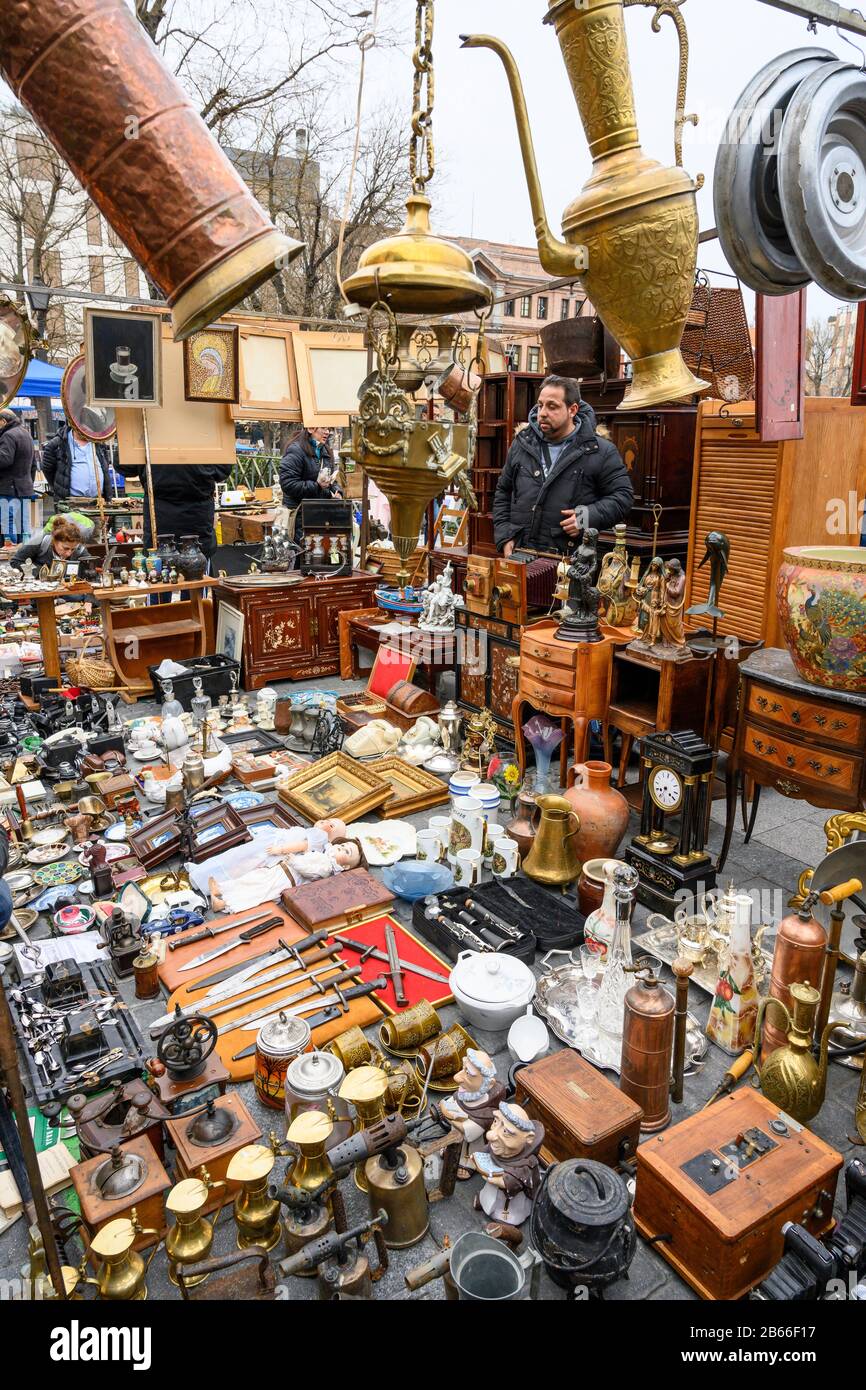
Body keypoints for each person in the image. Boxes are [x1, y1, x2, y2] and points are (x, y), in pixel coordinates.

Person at [492, 375, 634, 557]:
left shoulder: (599, 450)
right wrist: (505, 537)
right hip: (519, 554)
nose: (542, 412)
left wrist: (585, 518)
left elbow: (623, 497)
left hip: (568, 562)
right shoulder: (521, 444)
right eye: (540, 404)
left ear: (572, 409)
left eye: (552, 406)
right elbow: (503, 492)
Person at [114, 462, 234, 559]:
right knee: (197, 577)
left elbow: (124, 466)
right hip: (194, 520)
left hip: (162, 521)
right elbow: (224, 469)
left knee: (163, 577)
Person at [278, 426, 342, 541]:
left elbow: (331, 480)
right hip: (300, 517)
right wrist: (317, 486)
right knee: (302, 555)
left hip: (321, 515)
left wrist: (336, 491)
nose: (327, 432)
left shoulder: (325, 450)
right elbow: (288, 484)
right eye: (323, 428)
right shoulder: (296, 449)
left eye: (329, 429)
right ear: (311, 429)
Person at [41, 419, 112, 505]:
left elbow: (105, 469)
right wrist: (61, 487)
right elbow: (48, 470)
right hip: (70, 505)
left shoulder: (99, 443)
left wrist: (108, 501)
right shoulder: (57, 444)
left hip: (98, 504)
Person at [0, 409, 36, 541]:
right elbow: (34, 464)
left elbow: (4, 459)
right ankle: (25, 556)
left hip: (8, 488)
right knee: (23, 525)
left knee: (8, 524)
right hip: (24, 488)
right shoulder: (26, 434)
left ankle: (11, 557)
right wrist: (28, 484)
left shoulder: (8, 435)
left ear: (3, 421)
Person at [12, 515, 89, 569]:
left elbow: (90, 564)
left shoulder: (79, 549)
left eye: (72, 549)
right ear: (54, 540)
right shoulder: (39, 541)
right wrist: (41, 571)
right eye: (65, 548)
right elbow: (16, 561)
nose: (69, 553)